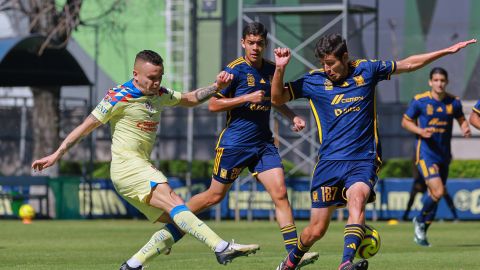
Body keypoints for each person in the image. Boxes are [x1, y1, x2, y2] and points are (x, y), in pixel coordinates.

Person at [31, 50, 260, 270]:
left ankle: (133, 264)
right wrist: (56, 154)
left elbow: (190, 98)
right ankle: (221, 247)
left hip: (136, 170)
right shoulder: (118, 96)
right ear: (135, 75)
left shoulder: (160, 95)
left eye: (160, 77)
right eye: (151, 78)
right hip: (128, 167)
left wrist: (216, 87)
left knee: (177, 221)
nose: (156, 82)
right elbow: (84, 128)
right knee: (175, 203)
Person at [121, 21, 319, 270]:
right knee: (214, 196)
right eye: (251, 42)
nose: (255, 47)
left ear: (265, 44)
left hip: (263, 144)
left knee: (280, 192)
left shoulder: (271, 69)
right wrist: (246, 97)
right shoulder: (234, 70)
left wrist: (292, 117)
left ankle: (293, 256)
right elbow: (214, 105)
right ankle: (173, 226)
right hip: (234, 145)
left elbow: (275, 98)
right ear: (243, 43)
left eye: (260, 43)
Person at [271, 34, 476, 270]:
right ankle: (289, 263)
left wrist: (446, 51)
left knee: (356, 200)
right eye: (323, 64)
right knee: (316, 230)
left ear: (345, 57)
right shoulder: (313, 81)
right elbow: (277, 98)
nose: (326, 69)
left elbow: (408, 64)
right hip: (329, 162)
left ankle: (345, 263)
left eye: (331, 63)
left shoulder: (367, 70)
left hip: (363, 159)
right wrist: (280, 69)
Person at [402, 67, 470, 246]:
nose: (439, 83)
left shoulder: (453, 102)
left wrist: (464, 127)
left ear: (446, 82)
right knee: (438, 191)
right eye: (436, 80)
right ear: (430, 82)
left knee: (435, 194)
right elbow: (405, 121)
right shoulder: (420, 101)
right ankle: (418, 220)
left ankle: (422, 228)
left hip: (444, 155)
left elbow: (461, 118)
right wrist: (420, 131)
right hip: (426, 154)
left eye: (442, 80)